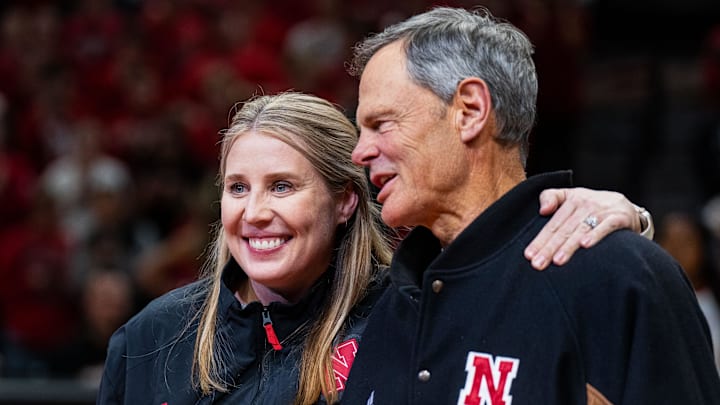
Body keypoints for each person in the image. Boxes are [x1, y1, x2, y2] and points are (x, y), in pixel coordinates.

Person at [97, 92, 649, 405]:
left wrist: (622, 222)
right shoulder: (152, 337)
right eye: (238, 188)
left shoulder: (410, 318)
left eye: (282, 186)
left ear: (344, 202)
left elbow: (533, 302)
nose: (254, 211)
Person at [342, 6, 720, 404]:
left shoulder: (618, 277)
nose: (360, 153)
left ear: (470, 111)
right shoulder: (386, 305)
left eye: (381, 124)